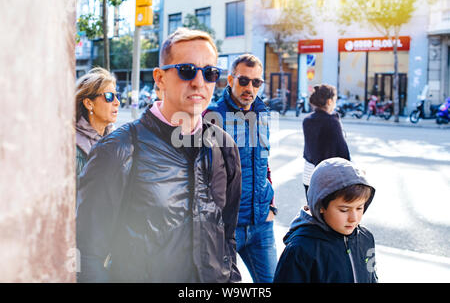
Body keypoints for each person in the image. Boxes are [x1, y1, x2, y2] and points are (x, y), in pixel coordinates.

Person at [76, 27, 242, 283]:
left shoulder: (224, 147)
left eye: (210, 73)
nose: (199, 82)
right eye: (187, 70)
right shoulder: (118, 150)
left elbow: (227, 237)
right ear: (160, 78)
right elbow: (86, 255)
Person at [205, 54, 278, 283]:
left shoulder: (263, 114)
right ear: (230, 80)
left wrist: (271, 207)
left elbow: (264, 164)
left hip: (261, 225)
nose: (250, 87)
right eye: (244, 81)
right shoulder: (211, 116)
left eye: (256, 82)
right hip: (226, 227)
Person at [274, 157, 378, 283]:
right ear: (321, 206)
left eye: (359, 208)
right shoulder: (300, 249)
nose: (354, 218)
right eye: (344, 210)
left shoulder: (366, 238)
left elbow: (372, 278)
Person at [302, 84, 350, 195]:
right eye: (335, 100)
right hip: (327, 177)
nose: (335, 104)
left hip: (308, 174)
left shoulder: (307, 120)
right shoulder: (332, 122)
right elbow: (343, 152)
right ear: (329, 102)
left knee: (313, 210)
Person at [75, 67, 119, 178]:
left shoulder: (118, 138)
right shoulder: (73, 148)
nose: (117, 102)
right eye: (109, 97)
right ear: (89, 103)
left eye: (116, 96)